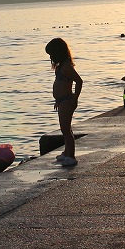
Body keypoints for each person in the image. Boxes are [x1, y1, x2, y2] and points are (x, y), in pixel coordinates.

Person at [46, 37, 83, 167]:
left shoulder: (66, 66)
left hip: (67, 100)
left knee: (66, 129)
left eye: (51, 54)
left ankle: (71, 156)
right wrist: (58, 100)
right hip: (62, 101)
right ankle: (66, 152)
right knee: (65, 128)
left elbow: (79, 81)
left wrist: (75, 99)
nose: (50, 57)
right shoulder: (60, 66)